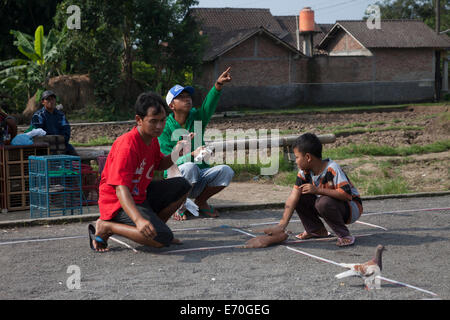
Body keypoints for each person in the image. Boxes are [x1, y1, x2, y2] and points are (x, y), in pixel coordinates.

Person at [90, 91, 192, 252]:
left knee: (182, 185)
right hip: (117, 203)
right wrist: (138, 220)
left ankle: (153, 229)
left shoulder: (152, 140)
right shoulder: (127, 145)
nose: (159, 126)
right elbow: (120, 188)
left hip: (140, 195)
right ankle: (107, 226)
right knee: (162, 238)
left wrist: (177, 150)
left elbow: (159, 165)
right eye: (153, 121)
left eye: (162, 121)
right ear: (139, 120)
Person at [158, 67, 235, 221]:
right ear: (172, 105)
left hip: (199, 175)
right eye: (181, 97)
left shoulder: (196, 118)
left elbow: (208, 107)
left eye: (188, 96)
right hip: (176, 179)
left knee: (226, 171)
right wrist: (191, 155)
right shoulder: (164, 128)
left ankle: (201, 201)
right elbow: (167, 161)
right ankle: (178, 205)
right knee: (189, 166)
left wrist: (218, 85)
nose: (187, 99)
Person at [273, 133, 363, 247]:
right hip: (328, 202)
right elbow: (292, 197)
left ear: (308, 157)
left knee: (323, 202)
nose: (295, 161)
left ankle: (344, 235)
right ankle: (316, 230)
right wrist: (282, 224)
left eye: (297, 157)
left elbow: (346, 195)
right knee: (299, 197)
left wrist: (318, 190)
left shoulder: (332, 168)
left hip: (351, 208)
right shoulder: (304, 172)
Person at [31, 90, 77, 155]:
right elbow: (36, 133)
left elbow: (66, 131)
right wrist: (51, 141)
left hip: (61, 144)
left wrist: (60, 141)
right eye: (48, 99)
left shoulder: (61, 115)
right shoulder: (38, 116)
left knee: (74, 156)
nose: (51, 101)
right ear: (43, 102)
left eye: (53, 99)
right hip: (44, 146)